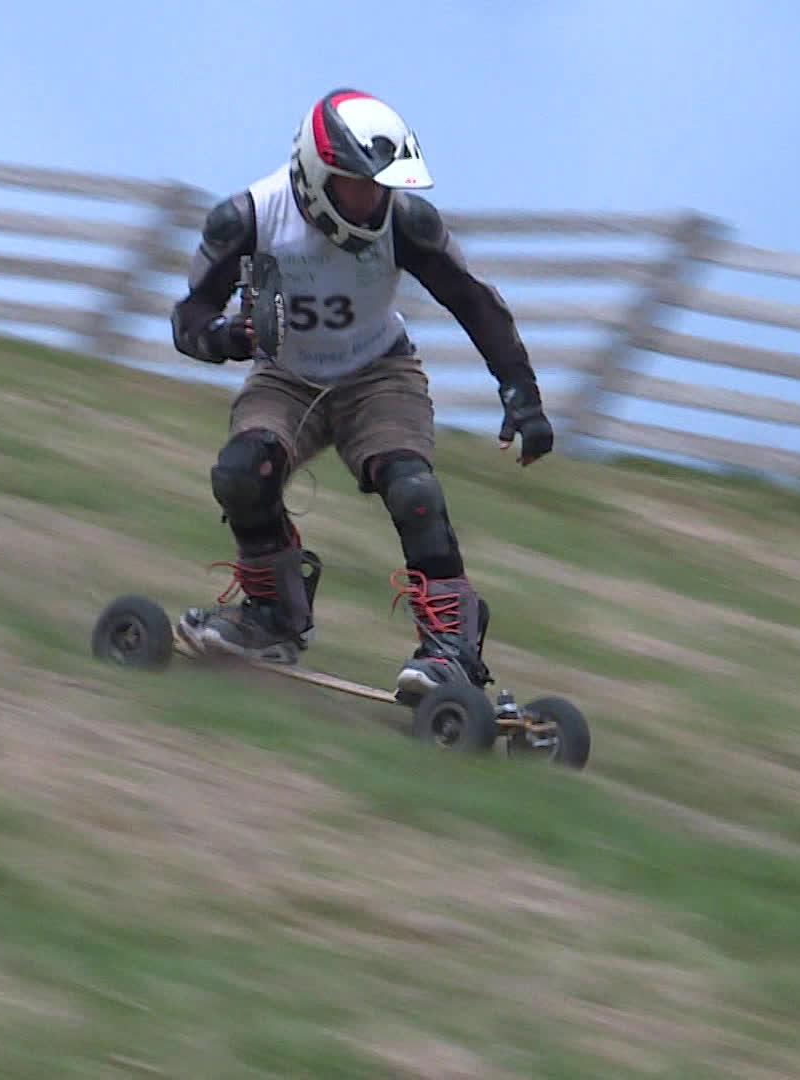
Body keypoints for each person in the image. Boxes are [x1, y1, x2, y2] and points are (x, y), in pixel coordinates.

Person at [168, 87, 554, 700]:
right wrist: (226, 339)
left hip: (379, 372)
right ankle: (272, 615)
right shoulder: (246, 219)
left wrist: (521, 393)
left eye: (381, 185)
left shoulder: (406, 222)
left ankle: (451, 648)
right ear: (320, 174)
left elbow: (474, 301)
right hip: (286, 376)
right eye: (357, 184)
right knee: (244, 472)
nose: (372, 199)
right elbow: (188, 318)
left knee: (413, 488)